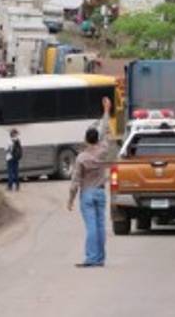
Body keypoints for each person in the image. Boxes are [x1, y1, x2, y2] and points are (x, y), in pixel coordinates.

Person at [67, 96, 114, 268]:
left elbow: (75, 181)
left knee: (91, 227)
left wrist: (70, 199)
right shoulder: (103, 150)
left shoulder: (82, 158)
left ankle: (92, 258)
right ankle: (100, 258)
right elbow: (104, 129)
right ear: (98, 139)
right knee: (101, 226)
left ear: (86, 139)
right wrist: (106, 111)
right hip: (101, 192)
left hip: (87, 193)